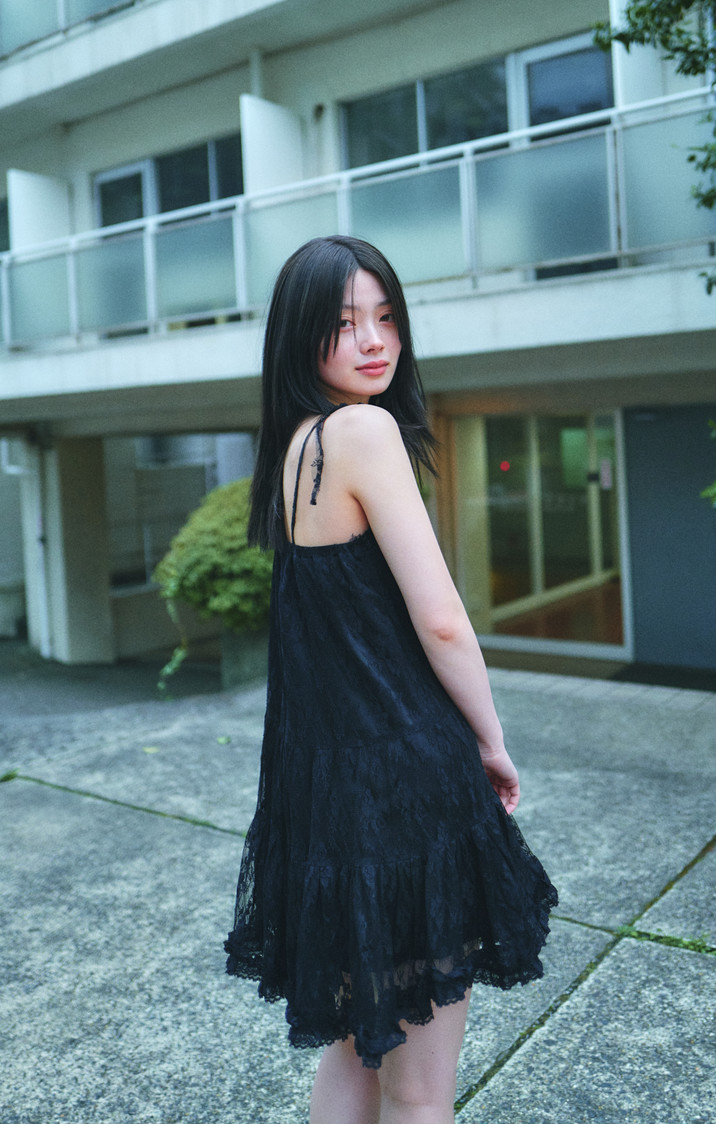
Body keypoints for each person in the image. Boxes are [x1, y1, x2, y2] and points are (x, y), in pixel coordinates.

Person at [224, 235, 557, 1123]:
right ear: (300, 335)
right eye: (343, 323)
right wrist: (491, 739)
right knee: (419, 1095)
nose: (373, 341)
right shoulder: (364, 431)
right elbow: (440, 617)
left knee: (353, 1054)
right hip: (403, 786)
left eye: (386, 317)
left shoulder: (295, 447)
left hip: (330, 797)